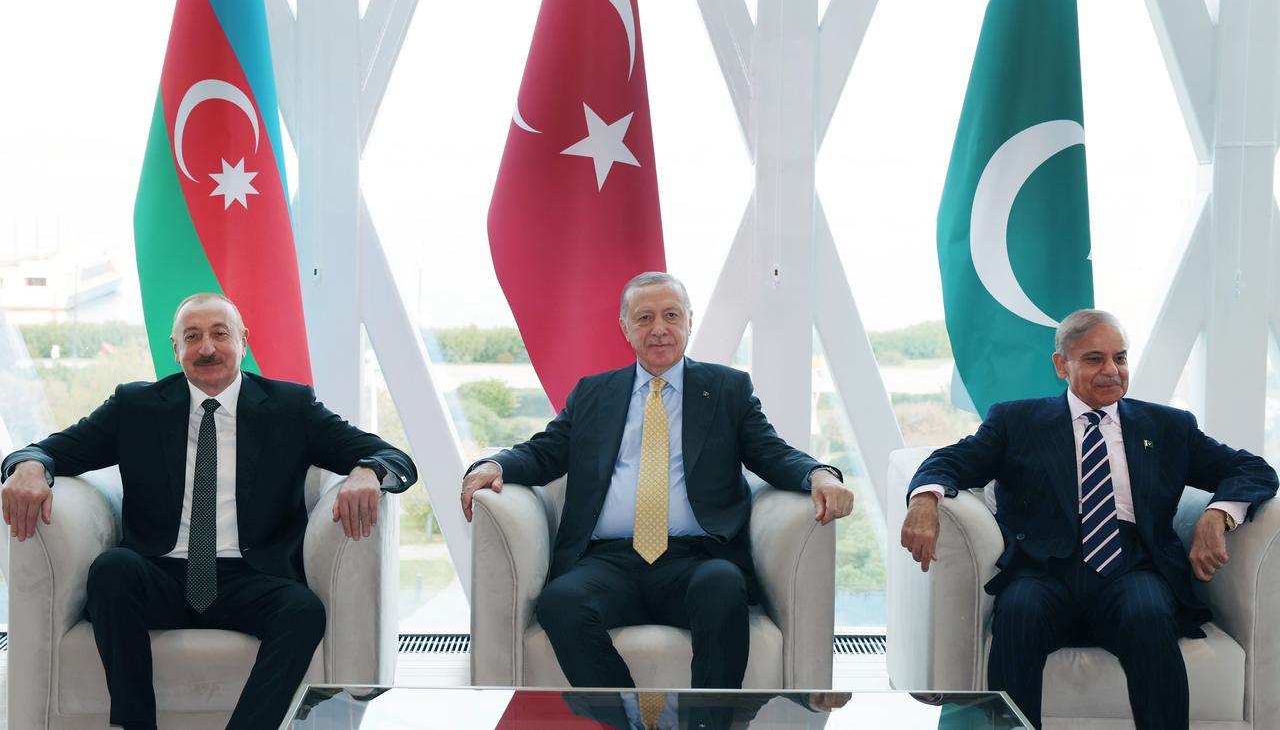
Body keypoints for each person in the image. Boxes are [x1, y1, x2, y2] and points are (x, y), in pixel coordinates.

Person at [1, 292, 418, 730]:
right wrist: (29, 465)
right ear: (175, 348)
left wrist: (367, 473)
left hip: (250, 577)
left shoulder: (290, 408)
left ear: (243, 339)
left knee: (303, 610)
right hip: (159, 573)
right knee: (111, 570)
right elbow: (48, 450)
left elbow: (392, 457)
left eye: (220, 334)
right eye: (192, 336)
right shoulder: (136, 407)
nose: (207, 348)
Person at [460, 271, 855, 689]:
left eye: (670, 315)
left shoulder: (726, 389)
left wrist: (819, 474)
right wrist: (494, 466)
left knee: (723, 586)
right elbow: (545, 451)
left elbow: (771, 452)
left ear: (688, 320)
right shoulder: (594, 393)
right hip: (608, 560)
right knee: (561, 601)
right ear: (625, 328)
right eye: (645, 318)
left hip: (696, 558)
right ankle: (626, 719)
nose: (659, 329)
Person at [900, 309, 1278, 730]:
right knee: (1018, 615)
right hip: (1043, 571)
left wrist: (1216, 515)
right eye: (1094, 359)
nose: (1112, 371)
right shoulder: (1017, 421)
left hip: (1133, 568)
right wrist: (924, 501)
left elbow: (1253, 470)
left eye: (1120, 358)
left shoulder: (1168, 426)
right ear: (1062, 365)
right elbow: (950, 461)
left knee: (1150, 615)